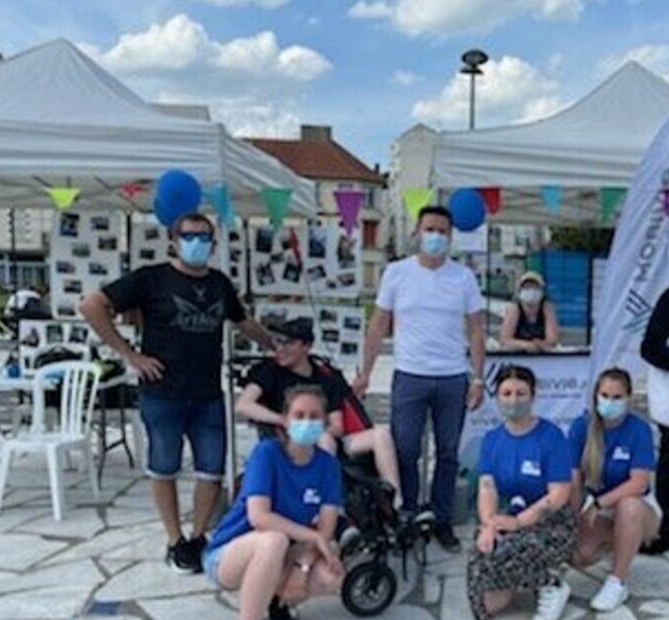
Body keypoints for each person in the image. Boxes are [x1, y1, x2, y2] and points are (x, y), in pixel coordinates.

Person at [79, 212, 273, 573]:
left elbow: (242, 321)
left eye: (204, 238)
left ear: (214, 245)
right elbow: (91, 305)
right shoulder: (151, 279)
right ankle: (174, 539)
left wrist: (277, 345)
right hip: (162, 393)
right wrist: (128, 353)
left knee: (211, 470)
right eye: (190, 236)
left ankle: (198, 537)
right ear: (174, 239)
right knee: (164, 468)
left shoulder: (219, 283)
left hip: (208, 394)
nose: (197, 243)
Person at [353, 205, 486, 552]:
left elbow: (475, 330)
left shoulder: (463, 277)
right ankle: (408, 513)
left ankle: (440, 518)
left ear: (451, 237)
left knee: (448, 452)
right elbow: (379, 324)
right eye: (430, 229)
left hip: (452, 377)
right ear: (416, 232)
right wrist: (364, 372)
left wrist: (478, 379)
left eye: (443, 231)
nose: (436, 237)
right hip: (410, 375)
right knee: (405, 450)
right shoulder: (397, 273)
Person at [203, 385, 343, 620]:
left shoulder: (328, 465)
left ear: (325, 422)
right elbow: (259, 516)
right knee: (274, 539)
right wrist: (314, 538)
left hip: (280, 552)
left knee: (329, 576)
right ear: (285, 419)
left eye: (314, 416)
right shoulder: (267, 453)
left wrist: (305, 562)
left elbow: (327, 526)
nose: (306, 422)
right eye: (299, 415)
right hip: (230, 553)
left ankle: (275, 599)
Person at [235, 317, 402, 507]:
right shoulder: (270, 372)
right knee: (325, 441)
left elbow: (337, 425)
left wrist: (317, 429)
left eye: (289, 343)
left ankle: (394, 501)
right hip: (289, 436)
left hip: (328, 435)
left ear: (306, 346)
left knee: (381, 435)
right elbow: (243, 405)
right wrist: (282, 419)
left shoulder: (326, 378)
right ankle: (328, 502)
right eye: (278, 342)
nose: (280, 349)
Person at [468, 365, 576, 620]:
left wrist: (518, 523)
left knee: (517, 547)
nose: (513, 400)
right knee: (485, 605)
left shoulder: (551, 436)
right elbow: (487, 487)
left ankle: (551, 584)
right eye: (506, 393)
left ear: (533, 395)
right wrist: (489, 524)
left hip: (549, 523)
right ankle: (520, 579)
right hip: (507, 516)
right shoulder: (492, 440)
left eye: (520, 393)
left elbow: (559, 494)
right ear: (497, 397)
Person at [568, 368, 660, 611]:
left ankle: (617, 581)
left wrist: (599, 504)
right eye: (605, 395)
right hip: (600, 506)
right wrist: (573, 518)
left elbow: (639, 482)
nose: (610, 402)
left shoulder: (639, 429)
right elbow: (575, 480)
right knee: (580, 555)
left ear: (629, 398)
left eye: (617, 397)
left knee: (627, 506)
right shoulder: (581, 427)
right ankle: (620, 544)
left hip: (638, 506)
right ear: (596, 396)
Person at [499, 271, 559, 352]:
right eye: (527, 287)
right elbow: (504, 339)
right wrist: (525, 345)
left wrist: (540, 344)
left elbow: (552, 339)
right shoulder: (514, 309)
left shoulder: (547, 308)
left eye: (535, 287)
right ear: (520, 291)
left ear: (541, 291)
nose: (531, 290)